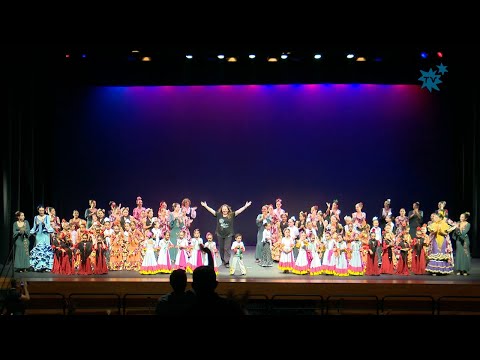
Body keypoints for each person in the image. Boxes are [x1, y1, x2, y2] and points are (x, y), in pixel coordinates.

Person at [200, 201, 252, 268]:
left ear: (228, 209)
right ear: (221, 209)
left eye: (225, 209)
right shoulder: (219, 215)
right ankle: (223, 261)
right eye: (223, 209)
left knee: (227, 248)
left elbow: (238, 211)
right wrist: (205, 206)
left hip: (228, 234)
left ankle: (227, 262)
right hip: (220, 234)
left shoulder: (231, 215)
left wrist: (245, 206)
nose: (224, 210)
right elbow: (212, 211)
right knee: (221, 248)